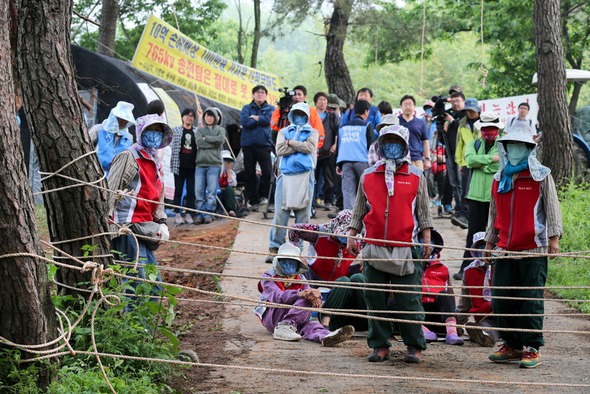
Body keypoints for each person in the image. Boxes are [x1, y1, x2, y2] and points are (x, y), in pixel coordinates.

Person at [347, 124, 433, 364]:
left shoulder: (416, 176)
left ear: (404, 146)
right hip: (373, 244)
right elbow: (358, 210)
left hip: (406, 246)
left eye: (396, 142)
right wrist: (352, 235)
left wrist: (426, 240)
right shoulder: (368, 175)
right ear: (380, 146)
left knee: (409, 299)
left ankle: (414, 345)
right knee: (374, 297)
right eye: (387, 142)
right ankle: (379, 345)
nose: (391, 146)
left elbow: (424, 213)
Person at [484, 128, 562, 369]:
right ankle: (512, 344)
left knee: (530, 300)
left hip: (533, 249)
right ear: (505, 149)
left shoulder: (541, 176)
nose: (515, 149)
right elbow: (493, 213)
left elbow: (552, 207)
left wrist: (554, 237)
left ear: (529, 149)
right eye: (511, 145)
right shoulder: (499, 178)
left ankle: (532, 347)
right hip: (505, 248)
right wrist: (489, 242)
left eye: (520, 145)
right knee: (502, 298)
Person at [108, 114, 173, 304]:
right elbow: (110, 190)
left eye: (159, 132)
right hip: (127, 226)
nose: (154, 136)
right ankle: (136, 327)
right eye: (151, 131)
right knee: (137, 281)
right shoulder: (129, 157)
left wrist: (161, 221)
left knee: (154, 284)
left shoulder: (155, 161)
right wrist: (109, 226)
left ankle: (146, 328)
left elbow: (158, 196)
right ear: (141, 132)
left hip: (146, 227)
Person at [254, 243, 355, 346]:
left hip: (295, 317)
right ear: (278, 262)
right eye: (284, 261)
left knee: (310, 324)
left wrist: (317, 296)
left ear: (297, 265)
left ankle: (326, 336)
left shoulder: (301, 278)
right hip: (274, 315)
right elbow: (278, 297)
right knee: (306, 297)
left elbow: (309, 293)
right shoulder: (268, 277)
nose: (288, 265)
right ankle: (284, 326)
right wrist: (300, 294)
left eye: (292, 262)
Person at [288, 210, 367, 331]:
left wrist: (367, 259)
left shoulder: (361, 237)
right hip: (315, 276)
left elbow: (376, 243)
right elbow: (294, 229)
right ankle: (324, 319)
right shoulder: (320, 231)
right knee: (301, 269)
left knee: (357, 278)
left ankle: (368, 319)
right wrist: (297, 253)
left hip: (341, 277)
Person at [267, 103, 319, 262]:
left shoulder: (313, 132)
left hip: (305, 176)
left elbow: (310, 148)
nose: (299, 116)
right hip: (285, 176)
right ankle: (275, 247)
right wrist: (298, 146)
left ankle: (297, 250)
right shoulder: (283, 131)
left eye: (301, 114)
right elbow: (280, 150)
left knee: (303, 217)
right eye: (296, 113)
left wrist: (291, 143)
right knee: (279, 215)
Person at [453, 112, 502, 280]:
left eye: (492, 129)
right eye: (485, 129)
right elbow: (470, 161)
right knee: (473, 234)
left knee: (496, 235)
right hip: (475, 196)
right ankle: (466, 269)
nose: (488, 132)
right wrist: (491, 160)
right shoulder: (473, 144)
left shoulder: (503, 145)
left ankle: (493, 272)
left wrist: (483, 164)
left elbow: (502, 163)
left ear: (497, 129)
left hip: (495, 198)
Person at [416, 230, 464, 345]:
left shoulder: (442, 268)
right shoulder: (408, 267)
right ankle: (423, 331)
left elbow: (451, 297)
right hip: (416, 314)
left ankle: (452, 333)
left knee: (445, 295)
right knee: (395, 302)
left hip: (439, 317)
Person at [456, 232, 500, 347]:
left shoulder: (503, 267)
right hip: (484, 316)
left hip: (504, 312)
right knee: (486, 326)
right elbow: (464, 302)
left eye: (487, 245)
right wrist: (457, 324)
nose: (484, 249)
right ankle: (483, 334)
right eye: (480, 246)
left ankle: (484, 334)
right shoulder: (469, 271)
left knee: (507, 326)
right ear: (475, 249)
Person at [239, 85, 275, 212]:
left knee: (268, 173)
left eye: (263, 92)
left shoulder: (270, 108)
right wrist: (260, 120)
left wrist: (256, 118)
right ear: (253, 95)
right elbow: (245, 122)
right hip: (248, 145)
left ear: (266, 95)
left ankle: (268, 199)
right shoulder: (246, 108)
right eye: (258, 92)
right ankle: (252, 200)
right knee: (249, 173)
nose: (260, 94)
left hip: (264, 144)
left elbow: (269, 121)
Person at [336, 100, 374, 210]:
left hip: (346, 162)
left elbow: (339, 145)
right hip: (363, 162)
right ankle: (368, 216)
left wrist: (338, 164)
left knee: (348, 191)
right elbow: (371, 146)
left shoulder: (343, 127)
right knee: (367, 190)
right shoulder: (367, 125)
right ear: (366, 111)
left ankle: (350, 219)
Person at [452, 97, 481, 229]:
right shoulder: (462, 124)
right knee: (465, 190)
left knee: (477, 189)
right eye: (467, 110)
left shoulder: (483, 123)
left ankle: (477, 216)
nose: (469, 113)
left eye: (472, 110)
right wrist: (459, 162)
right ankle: (466, 216)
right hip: (466, 162)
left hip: (480, 162)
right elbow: (459, 144)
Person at [194, 108, 226, 224]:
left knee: (211, 192)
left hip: (214, 164)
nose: (209, 118)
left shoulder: (220, 130)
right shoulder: (199, 130)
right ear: (204, 117)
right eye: (207, 116)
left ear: (216, 118)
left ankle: (209, 213)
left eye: (212, 116)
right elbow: (199, 143)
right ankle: (199, 213)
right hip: (200, 164)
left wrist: (206, 139)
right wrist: (213, 142)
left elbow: (220, 140)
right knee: (199, 191)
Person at [271, 85, 325, 150]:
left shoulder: (311, 111)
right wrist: (279, 110)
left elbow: (319, 131)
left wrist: (314, 147)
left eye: (299, 95)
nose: (297, 97)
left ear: (304, 97)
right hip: (287, 147)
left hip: (305, 147)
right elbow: (274, 126)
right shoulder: (286, 110)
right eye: (295, 94)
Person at [90, 101, 136, 175]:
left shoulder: (129, 138)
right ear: (114, 117)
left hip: (115, 177)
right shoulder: (97, 130)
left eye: (125, 120)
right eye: (120, 119)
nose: (122, 122)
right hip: (94, 173)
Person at [170, 108, 198, 225]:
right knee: (178, 190)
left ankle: (189, 213)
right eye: (187, 115)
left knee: (191, 191)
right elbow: (168, 142)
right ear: (182, 117)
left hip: (193, 166)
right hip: (179, 165)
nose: (189, 118)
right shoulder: (175, 130)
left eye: (191, 116)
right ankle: (177, 213)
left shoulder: (197, 131)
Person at [313, 92, 340, 210]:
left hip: (328, 151)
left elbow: (337, 131)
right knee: (313, 178)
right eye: (320, 100)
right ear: (315, 102)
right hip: (313, 151)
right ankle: (312, 201)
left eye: (324, 100)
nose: (322, 102)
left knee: (329, 178)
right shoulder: (311, 114)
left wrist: (335, 144)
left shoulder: (332, 115)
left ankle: (328, 201)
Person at [441, 92, 466, 217]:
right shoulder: (450, 116)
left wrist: (452, 121)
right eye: (453, 101)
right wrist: (443, 128)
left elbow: (463, 129)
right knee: (454, 183)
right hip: (450, 154)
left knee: (461, 183)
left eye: (458, 101)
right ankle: (458, 209)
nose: (455, 103)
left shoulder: (467, 115)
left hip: (462, 156)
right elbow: (443, 139)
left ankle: (463, 210)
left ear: (463, 101)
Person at [398, 95, 431, 170]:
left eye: (410, 104)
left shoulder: (420, 122)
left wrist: (427, 159)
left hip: (416, 158)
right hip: (398, 159)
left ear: (414, 106)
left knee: (419, 180)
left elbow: (425, 141)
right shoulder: (396, 121)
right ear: (401, 106)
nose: (408, 107)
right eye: (405, 104)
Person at [219, 150, 238, 217]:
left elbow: (234, 184)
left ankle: (231, 210)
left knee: (230, 188)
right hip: (217, 192)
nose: (227, 163)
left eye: (228, 161)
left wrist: (228, 171)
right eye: (225, 160)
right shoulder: (216, 170)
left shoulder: (231, 172)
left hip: (226, 193)